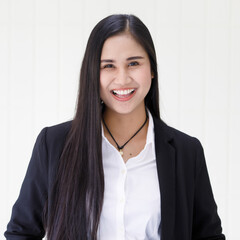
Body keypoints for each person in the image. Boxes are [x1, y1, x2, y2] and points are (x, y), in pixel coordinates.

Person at [4, 14, 225, 240]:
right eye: (108, 66)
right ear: (92, 73)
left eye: (134, 63)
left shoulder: (187, 152)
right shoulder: (54, 144)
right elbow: (21, 233)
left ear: (151, 70)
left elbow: (209, 235)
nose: (122, 79)